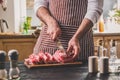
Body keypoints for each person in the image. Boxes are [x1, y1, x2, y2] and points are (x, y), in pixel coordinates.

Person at [33, 0, 104, 62]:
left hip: (80, 44)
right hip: (48, 41)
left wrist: (76, 37)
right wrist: (50, 22)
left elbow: (95, 9)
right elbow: (39, 3)